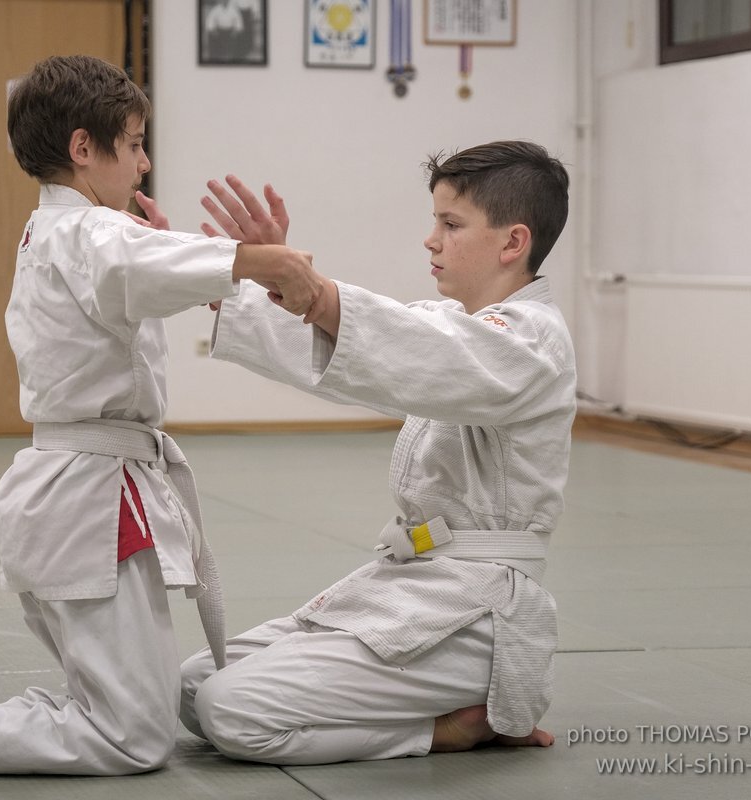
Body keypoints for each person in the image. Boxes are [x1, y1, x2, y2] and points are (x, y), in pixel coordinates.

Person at [0, 54, 322, 779]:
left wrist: (201, 253)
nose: (146, 162)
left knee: (133, 705)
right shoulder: (90, 234)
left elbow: (141, 268)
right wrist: (269, 263)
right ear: (83, 149)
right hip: (96, 502)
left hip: (76, 491)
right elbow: (137, 264)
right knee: (133, 738)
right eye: (133, 143)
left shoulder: (60, 231)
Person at [179, 140, 575, 765]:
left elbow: (418, 349)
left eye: (451, 224)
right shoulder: (459, 327)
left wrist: (314, 292)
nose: (431, 240)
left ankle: (447, 729)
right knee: (195, 683)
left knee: (229, 709)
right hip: (421, 583)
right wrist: (251, 279)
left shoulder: (531, 342)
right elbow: (366, 350)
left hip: (478, 611)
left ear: (512, 242)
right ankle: (441, 708)